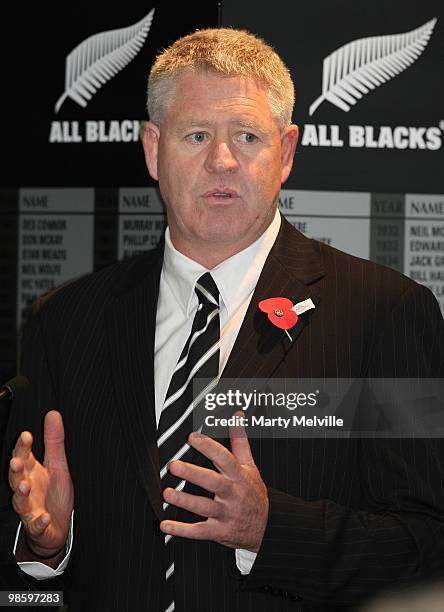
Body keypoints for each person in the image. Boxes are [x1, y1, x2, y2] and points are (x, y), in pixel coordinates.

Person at [1, 27, 444, 612]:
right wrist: (45, 549)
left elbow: (426, 543)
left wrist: (271, 529)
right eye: (197, 135)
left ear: (285, 153)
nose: (222, 161)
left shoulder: (384, 313)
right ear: (153, 150)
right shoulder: (66, 320)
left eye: (248, 136)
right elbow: (25, 591)